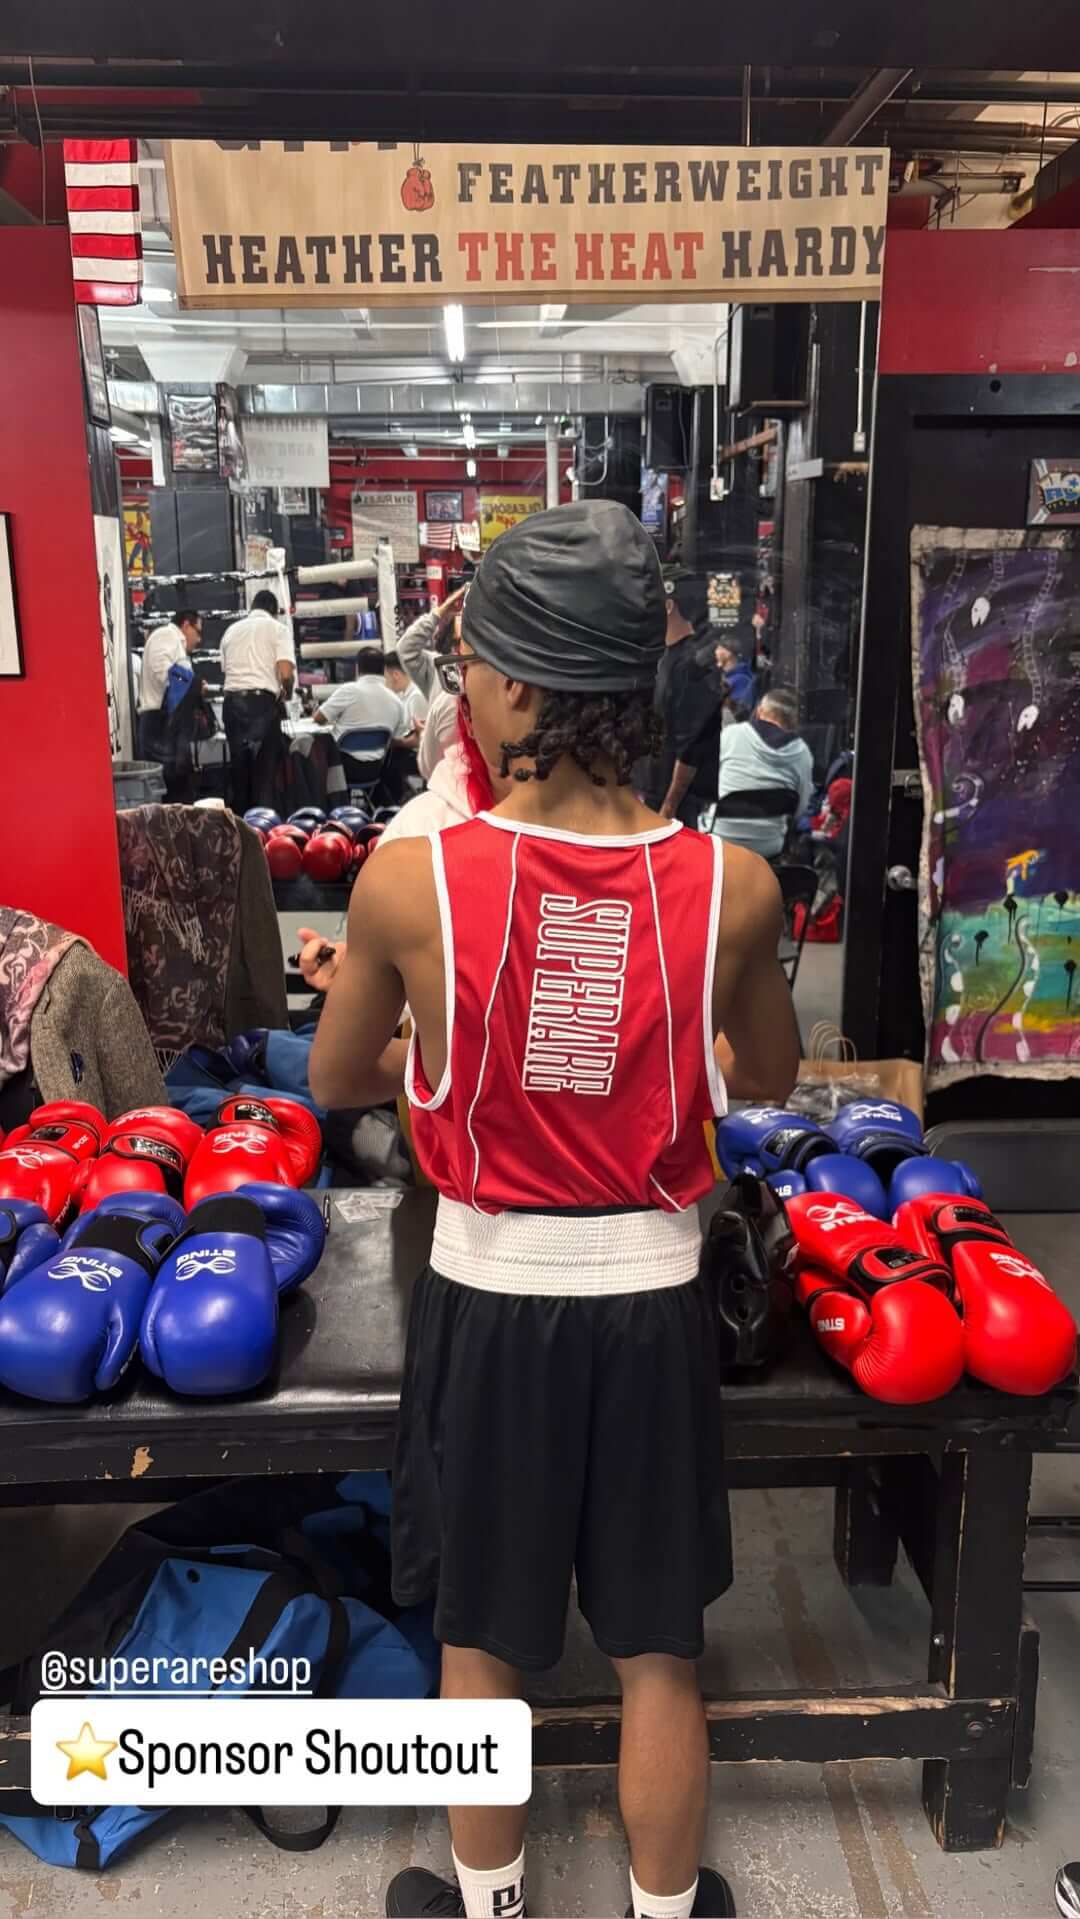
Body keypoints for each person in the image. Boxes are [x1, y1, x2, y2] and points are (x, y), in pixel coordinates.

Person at [308, 500, 799, 1919]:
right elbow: (765, 1075)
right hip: (651, 1305)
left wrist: (439, 1062)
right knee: (660, 1646)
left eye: (469, 661)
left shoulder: (411, 883)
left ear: (518, 686)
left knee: (485, 1638)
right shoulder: (735, 885)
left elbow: (339, 1074)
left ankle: (492, 1904)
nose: (456, 684)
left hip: (490, 1300)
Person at [642, 571, 724, 826]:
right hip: (652, 790)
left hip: (679, 805)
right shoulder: (664, 657)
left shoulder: (690, 666)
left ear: (668, 606)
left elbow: (692, 745)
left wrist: (669, 806)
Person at [706, 688, 815, 861]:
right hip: (770, 845)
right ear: (793, 721)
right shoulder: (802, 751)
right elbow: (799, 809)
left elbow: (708, 786)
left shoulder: (731, 735)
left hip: (722, 838)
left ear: (759, 712)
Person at [220, 590, 295, 814]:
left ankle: (240, 830)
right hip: (261, 705)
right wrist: (287, 693)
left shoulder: (231, 630)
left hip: (232, 705)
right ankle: (263, 831)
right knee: (265, 773)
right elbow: (285, 672)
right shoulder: (278, 629)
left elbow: (225, 670)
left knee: (239, 772)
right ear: (274, 611)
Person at [137, 609, 203, 797]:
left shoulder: (174, 644)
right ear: (186, 625)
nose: (199, 640)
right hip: (160, 727)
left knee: (179, 792)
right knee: (168, 794)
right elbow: (164, 676)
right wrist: (192, 683)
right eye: (197, 632)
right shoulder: (165, 636)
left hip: (169, 727)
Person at [384, 649, 428, 735]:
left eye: (385, 678)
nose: (384, 683)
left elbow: (420, 737)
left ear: (396, 675)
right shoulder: (404, 695)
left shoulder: (416, 697)